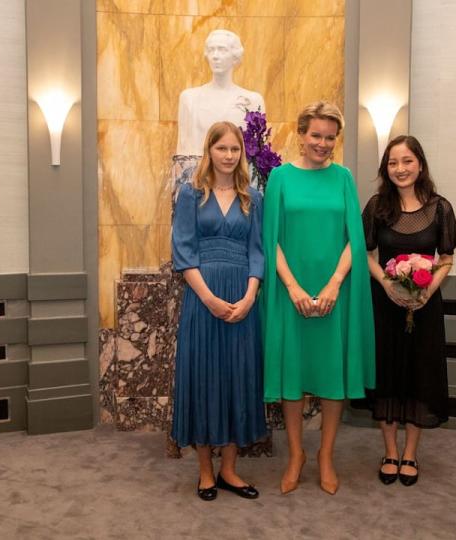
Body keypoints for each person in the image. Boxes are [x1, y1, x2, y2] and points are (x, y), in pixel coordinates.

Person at [260, 101, 375, 495]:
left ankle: (325, 454)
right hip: (289, 294)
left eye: (330, 137)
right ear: (301, 133)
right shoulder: (279, 178)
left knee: (330, 378)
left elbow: (353, 241)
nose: (322, 143)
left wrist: (333, 285)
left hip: (333, 296)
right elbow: (269, 239)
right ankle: (296, 455)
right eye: (316, 135)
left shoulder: (343, 178)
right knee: (292, 376)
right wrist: (292, 287)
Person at [170, 121, 267, 501]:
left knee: (237, 378)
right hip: (202, 298)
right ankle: (206, 472)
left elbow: (257, 251)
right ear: (208, 150)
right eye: (221, 148)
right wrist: (209, 298)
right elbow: (183, 251)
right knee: (205, 376)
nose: (228, 156)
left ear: (242, 154)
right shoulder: (190, 193)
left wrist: (249, 297)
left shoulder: (252, 197)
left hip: (242, 298)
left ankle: (230, 469)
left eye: (235, 149)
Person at [360, 135, 456, 487]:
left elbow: (446, 259)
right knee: (387, 375)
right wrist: (387, 284)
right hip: (384, 307)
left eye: (407, 161)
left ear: (420, 164)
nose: (400, 169)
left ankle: (411, 453)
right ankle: (389, 450)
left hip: (424, 307)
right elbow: (364, 253)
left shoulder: (440, 208)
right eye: (392, 163)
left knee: (419, 376)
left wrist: (427, 290)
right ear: (386, 168)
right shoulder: (377, 206)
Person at [176, 29, 266, 157]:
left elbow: (258, 153)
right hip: (199, 174)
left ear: (235, 56)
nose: (215, 56)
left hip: (238, 175)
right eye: (211, 50)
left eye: (222, 50)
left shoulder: (253, 101)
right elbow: (183, 153)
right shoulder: (190, 98)